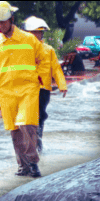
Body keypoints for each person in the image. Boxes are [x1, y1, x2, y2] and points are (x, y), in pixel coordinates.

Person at [0, 1, 48, 178]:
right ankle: (23, 166)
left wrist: (40, 78)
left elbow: (43, 59)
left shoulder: (29, 39)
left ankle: (33, 162)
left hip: (28, 89)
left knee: (26, 124)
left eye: (3, 22)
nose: (0, 25)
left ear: (12, 18)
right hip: (6, 92)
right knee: (15, 130)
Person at [23, 16, 67, 153]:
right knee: (27, 117)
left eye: (40, 32)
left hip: (44, 90)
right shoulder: (22, 49)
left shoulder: (48, 50)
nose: (39, 34)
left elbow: (56, 69)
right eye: (36, 32)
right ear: (29, 33)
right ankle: (29, 143)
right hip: (27, 88)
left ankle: (38, 142)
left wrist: (62, 85)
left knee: (40, 115)